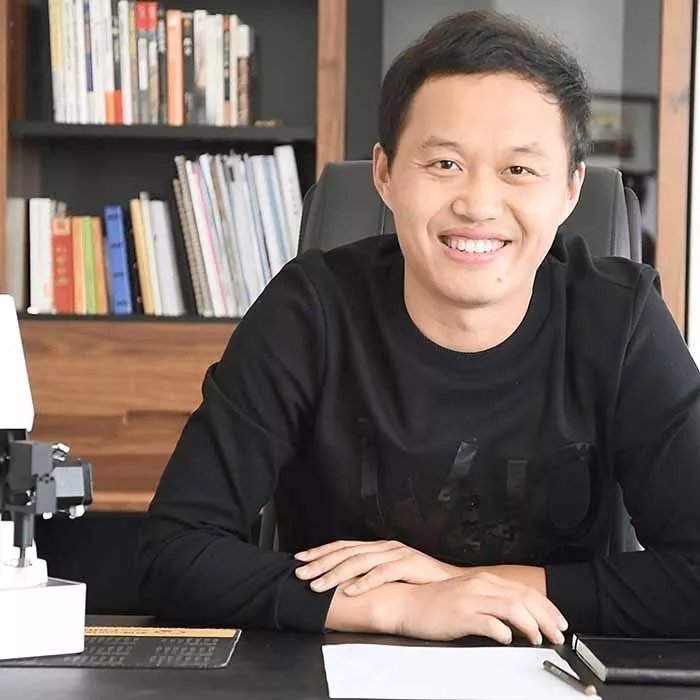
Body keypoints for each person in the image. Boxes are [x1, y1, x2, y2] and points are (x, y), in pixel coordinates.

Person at [136, 10, 700, 646]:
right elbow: (171, 553)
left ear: (571, 191)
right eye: (444, 163)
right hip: (336, 666)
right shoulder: (311, 310)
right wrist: (402, 607)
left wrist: (471, 587)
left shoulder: (621, 321)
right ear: (385, 174)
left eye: (518, 170)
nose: (478, 204)